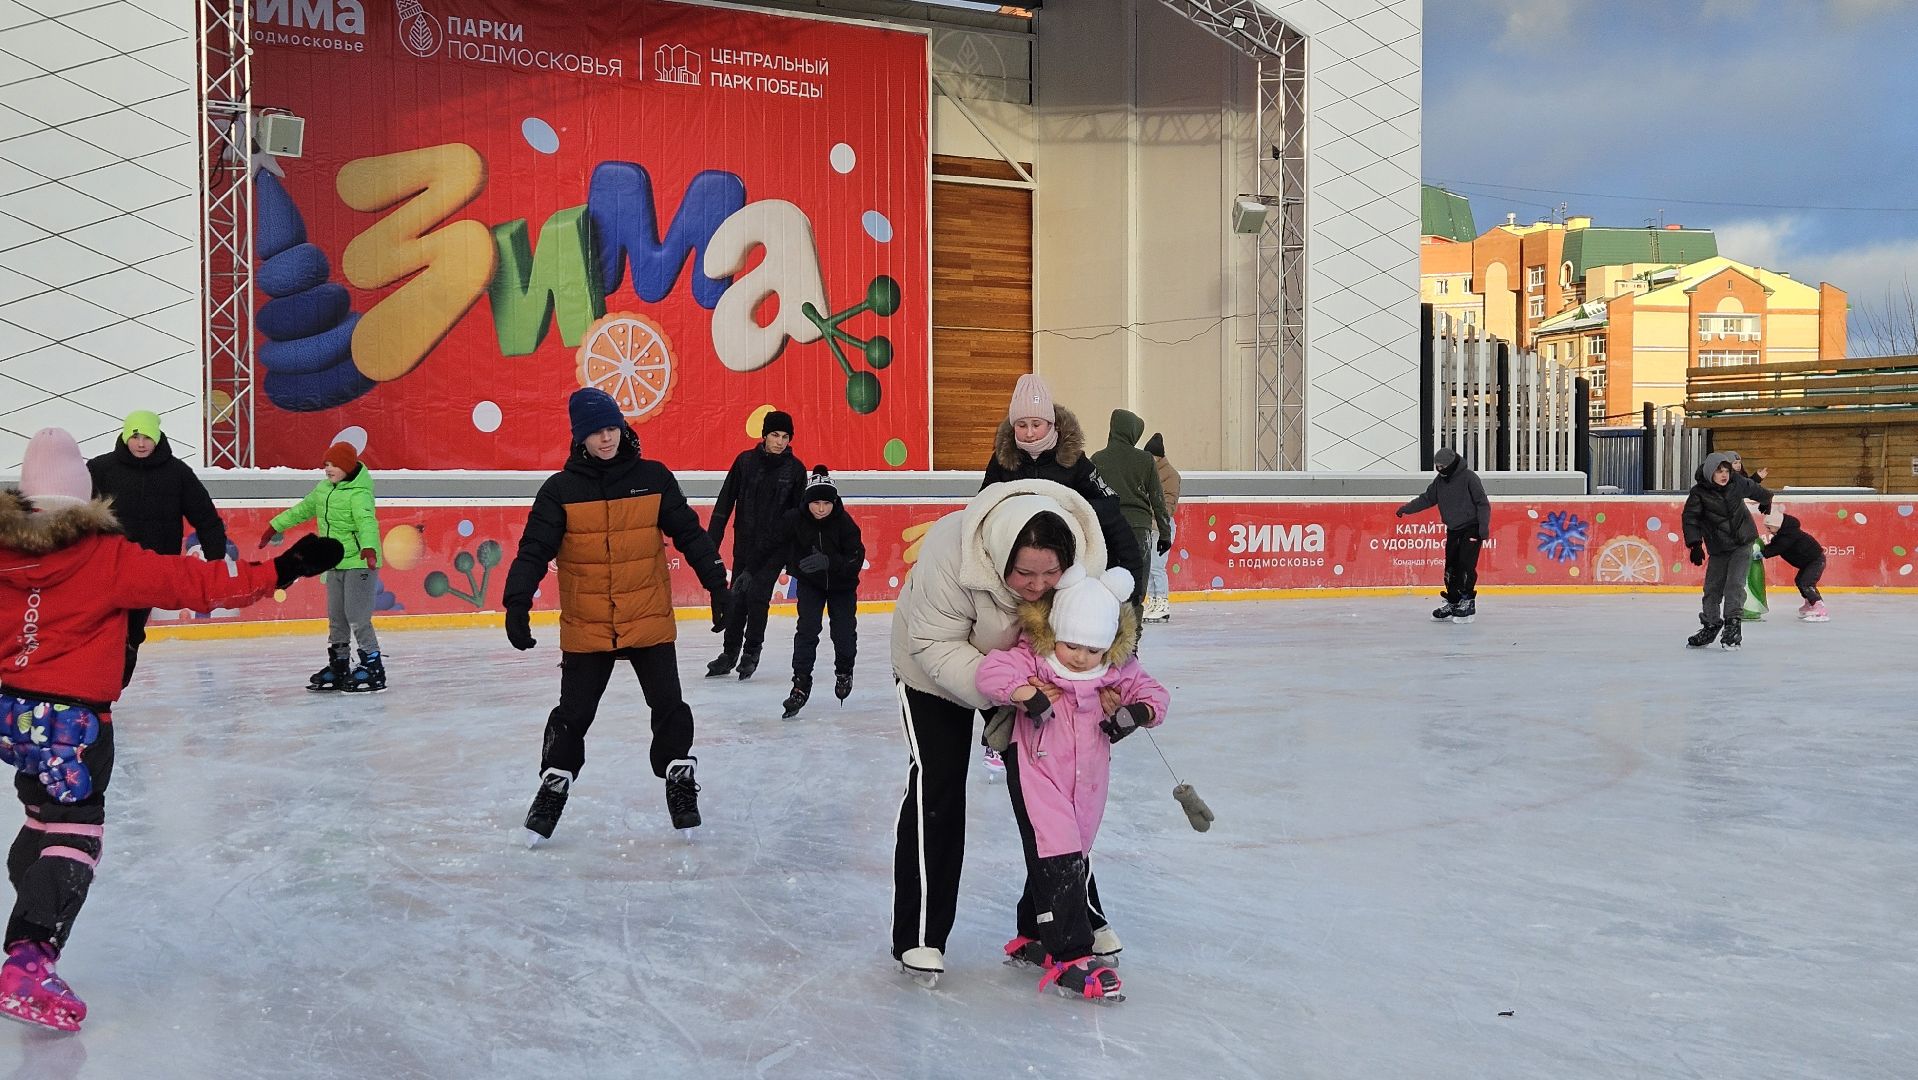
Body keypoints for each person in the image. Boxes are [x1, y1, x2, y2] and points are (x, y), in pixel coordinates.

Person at [0, 428, 339, 1031]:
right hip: (74, 725)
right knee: (75, 831)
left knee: (42, 814)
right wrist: (284, 567)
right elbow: (203, 586)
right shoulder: (106, 557)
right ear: (86, 496)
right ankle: (29, 957)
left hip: (11, 718)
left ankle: (33, 878)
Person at [888, 477, 1109, 988]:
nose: (1037, 587)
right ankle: (920, 934)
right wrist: (1009, 692)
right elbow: (933, 643)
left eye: (1050, 574)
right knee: (937, 785)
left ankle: (1059, 920)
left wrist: (1108, 687)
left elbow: (1097, 633)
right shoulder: (951, 552)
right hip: (932, 674)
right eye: (1025, 573)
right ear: (1001, 560)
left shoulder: (1083, 567)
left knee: (1053, 790)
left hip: (1028, 674)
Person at [502, 388, 731, 845]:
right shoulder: (560, 491)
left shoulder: (653, 478)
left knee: (669, 706)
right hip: (588, 624)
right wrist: (517, 601)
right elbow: (534, 549)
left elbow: (689, 532)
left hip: (646, 618)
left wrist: (717, 584)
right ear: (579, 438)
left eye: (611, 429)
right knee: (573, 714)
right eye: (595, 432)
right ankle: (554, 784)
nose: (606, 439)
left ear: (623, 429)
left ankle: (679, 778)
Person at [975, 564, 1169, 1002]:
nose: (1080, 657)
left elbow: (1156, 695)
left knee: (1069, 855)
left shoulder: (1114, 673)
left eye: (1092, 648)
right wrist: (1025, 693)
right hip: (1039, 774)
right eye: (1071, 644)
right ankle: (1073, 956)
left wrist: (1134, 714)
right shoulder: (1035, 661)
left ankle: (1032, 932)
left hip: (1089, 785)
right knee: (1059, 854)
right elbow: (990, 673)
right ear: (1054, 631)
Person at [980, 375, 1142, 777]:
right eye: (1021, 425)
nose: (1029, 433)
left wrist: (1130, 582)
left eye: (1036, 424)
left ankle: (1076, 726)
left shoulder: (1076, 464)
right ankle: (1003, 730)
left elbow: (1110, 518)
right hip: (1020, 576)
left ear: (1052, 425)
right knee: (1015, 651)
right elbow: (982, 516)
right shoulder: (1003, 462)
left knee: (1064, 650)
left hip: (1065, 577)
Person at [85, 409, 229, 687]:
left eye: (147, 437)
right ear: (126, 436)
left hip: (154, 568)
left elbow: (206, 518)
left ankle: (114, 683)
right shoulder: (100, 469)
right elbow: (76, 511)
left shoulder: (177, 473)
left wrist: (216, 560)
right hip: (109, 564)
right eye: (135, 436)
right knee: (105, 626)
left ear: (158, 437)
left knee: (132, 631)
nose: (141, 443)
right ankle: (97, 687)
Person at [261, 441, 385, 692]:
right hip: (334, 562)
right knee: (337, 617)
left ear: (348, 467)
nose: (328, 469)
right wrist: (275, 525)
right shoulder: (324, 489)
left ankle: (373, 666)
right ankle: (340, 665)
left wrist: (370, 549)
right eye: (326, 464)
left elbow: (366, 522)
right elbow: (302, 510)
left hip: (360, 563)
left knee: (357, 617)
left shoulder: (359, 493)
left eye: (334, 465)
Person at [706, 410, 807, 681]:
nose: (780, 441)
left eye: (785, 437)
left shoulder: (795, 470)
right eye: (775, 435)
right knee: (737, 598)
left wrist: (794, 556)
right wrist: (710, 543)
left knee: (757, 596)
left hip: (775, 548)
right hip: (745, 544)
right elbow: (724, 503)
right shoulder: (745, 462)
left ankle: (751, 653)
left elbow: (798, 517)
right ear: (764, 435)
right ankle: (729, 653)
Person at [779, 466, 864, 720]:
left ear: (834, 502)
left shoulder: (845, 523)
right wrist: (753, 572)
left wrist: (830, 562)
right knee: (807, 631)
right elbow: (775, 546)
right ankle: (801, 683)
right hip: (811, 585)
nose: (821, 508)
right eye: (816, 502)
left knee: (844, 632)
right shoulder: (795, 520)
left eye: (826, 503)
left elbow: (856, 557)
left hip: (842, 586)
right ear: (807, 502)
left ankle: (844, 671)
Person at [1681, 451, 1774, 651]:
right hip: (1718, 546)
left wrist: (1767, 500)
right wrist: (1695, 545)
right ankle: (1711, 624)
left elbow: (1757, 490)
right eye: (1719, 471)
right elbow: (1690, 519)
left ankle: (1732, 626)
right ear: (1709, 473)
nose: (1724, 475)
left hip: (1742, 542)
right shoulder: (1699, 493)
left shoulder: (1737, 483)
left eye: (1726, 471)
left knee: (1735, 584)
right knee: (1712, 588)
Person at [1088, 409, 1168, 624]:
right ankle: (1131, 644)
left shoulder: (1097, 458)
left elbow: (1088, 497)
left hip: (1108, 531)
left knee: (1108, 585)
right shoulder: (1144, 460)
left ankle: (1107, 637)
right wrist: (1165, 534)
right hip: (1138, 530)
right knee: (1136, 590)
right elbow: (1158, 500)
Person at [1394, 448, 1492, 622]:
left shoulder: (1469, 477)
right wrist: (1406, 509)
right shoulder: (1440, 481)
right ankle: (1453, 601)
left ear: (1451, 464)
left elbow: (1482, 503)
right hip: (1453, 529)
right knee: (1451, 567)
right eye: (1437, 467)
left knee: (1465, 565)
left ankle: (1467, 601)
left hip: (1472, 528)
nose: (1439, 470)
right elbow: (1427, 498)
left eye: (1442, 466)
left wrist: (1482, 528)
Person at [1761, 510, 1828, 622]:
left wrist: (1762, 553)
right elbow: (1775, 545)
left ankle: (1819, 608)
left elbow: (1779, 547)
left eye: (1769, 527)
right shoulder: (1783, 535)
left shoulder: (1790, 535)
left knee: (1806, 583)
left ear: (1778, 526)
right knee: (1800, 580)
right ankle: (1810, 603)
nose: (1768, 531)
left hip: (1815, 561)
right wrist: (1764, 550)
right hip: (1807, 562)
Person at [1142, 432, 1180, 623]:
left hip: (1162, 527)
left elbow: (1169, 503)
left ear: (1157, 456)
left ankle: (1162, 602)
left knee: (1157, 567)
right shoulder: (1150, 472)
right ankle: (1152, 601)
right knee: (1148, 567)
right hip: (1150, 526)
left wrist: (1159, 522)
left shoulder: (1170, 475)